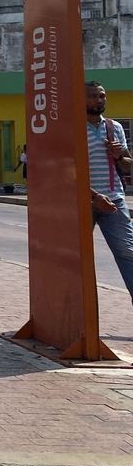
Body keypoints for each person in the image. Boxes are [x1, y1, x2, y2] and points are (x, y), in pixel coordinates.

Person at [86, 82, 133, 304]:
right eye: (93, 96)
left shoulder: (114, 127)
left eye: (102, 96)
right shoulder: (70, 128)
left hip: (115, 201)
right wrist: (94, 196)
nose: (98, 100)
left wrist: (118, 156)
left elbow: (127, 166)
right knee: (78, 259)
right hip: (82, 202)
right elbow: (67, 171)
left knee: (128, 253)